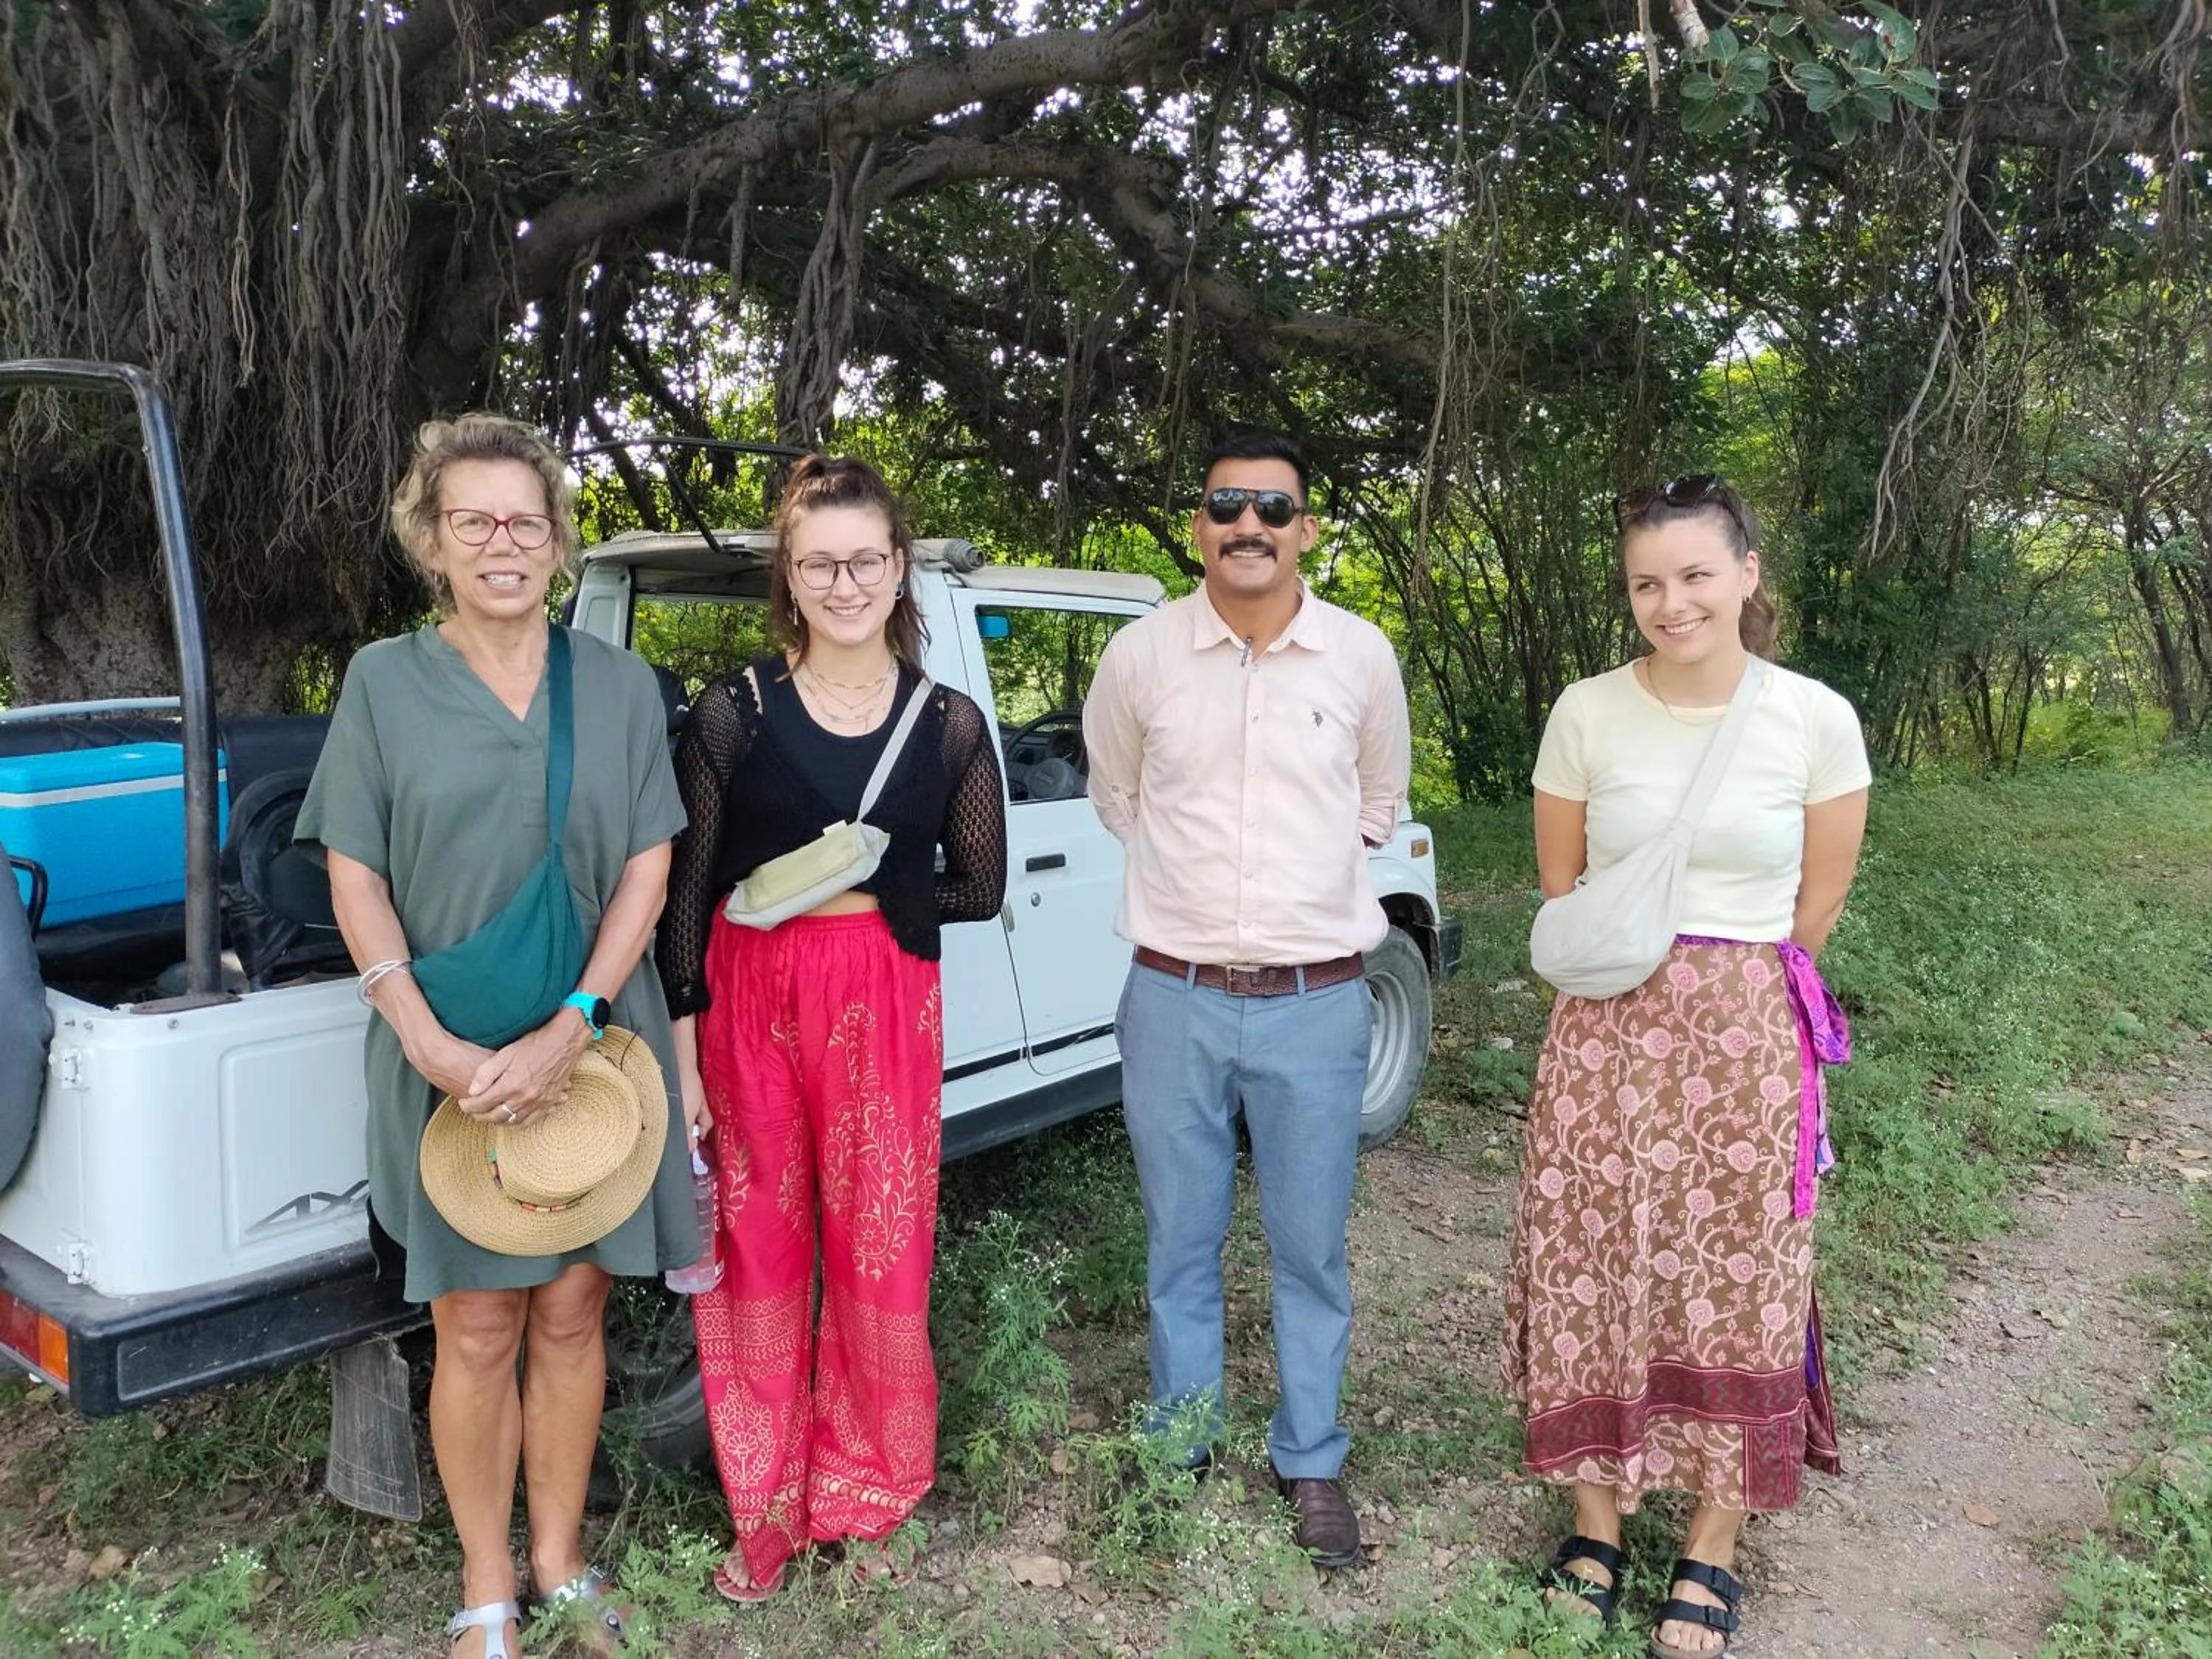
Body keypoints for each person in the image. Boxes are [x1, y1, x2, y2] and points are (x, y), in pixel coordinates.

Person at [296, 416, 700, 1659]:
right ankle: (487, 1583)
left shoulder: (618, 686)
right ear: (432, 540)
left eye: (525, 519)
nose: (502, 542)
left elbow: (648, 866)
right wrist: (423, 1040)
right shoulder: (382, 682)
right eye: (472, 519)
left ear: (559, 539)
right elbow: (355, 874)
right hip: (447, 1052)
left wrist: (579, 1021)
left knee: (573, 1308)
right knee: (475, 1321)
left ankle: (562, 1562)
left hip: (594, 1042)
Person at [1503, 475, 1870, 1658]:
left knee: (1741, 1269)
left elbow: (1817, 905)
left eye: (1697, 574)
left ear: (1747, 573)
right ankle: (1596, 1524)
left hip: (1747, 1036)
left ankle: (1713, 1540)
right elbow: (1564, 885)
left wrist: (1726, 994)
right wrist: (1650, 984)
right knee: (1589, 1254)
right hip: (1605, 1031)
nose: (1673, 602)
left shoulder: (1814, 718)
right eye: (1647, 583)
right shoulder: (1587, 712)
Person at [656, 455, 1007, 1602]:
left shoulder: (947, 723)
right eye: (819, 564)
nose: (844, 584)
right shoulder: (734, 711)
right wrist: (684, 1054)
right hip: (748, 996)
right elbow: (684, 894)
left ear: (899, 569)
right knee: (756, 1254)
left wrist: (885, 901)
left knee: (881, 1252)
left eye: (864, 561)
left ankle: (871, 1491)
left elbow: (982, 884)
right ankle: (764, 1512)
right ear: (790, 577)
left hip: (884, 995)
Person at [1082, 427, 1411, 1568]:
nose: (1250, 525)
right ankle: (1181, 1440)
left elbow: (1378, 801)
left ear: (1305, 528)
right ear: (1198, 527)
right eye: (1227, 504)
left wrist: (1290, 901)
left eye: (1274, 506)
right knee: (1180, 1237)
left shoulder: (1360, 657)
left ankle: (1310, 1456)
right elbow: (1118, 795)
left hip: (1317, 1002)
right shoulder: (1141, 657)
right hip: (1173, 995)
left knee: (1310, 1245)